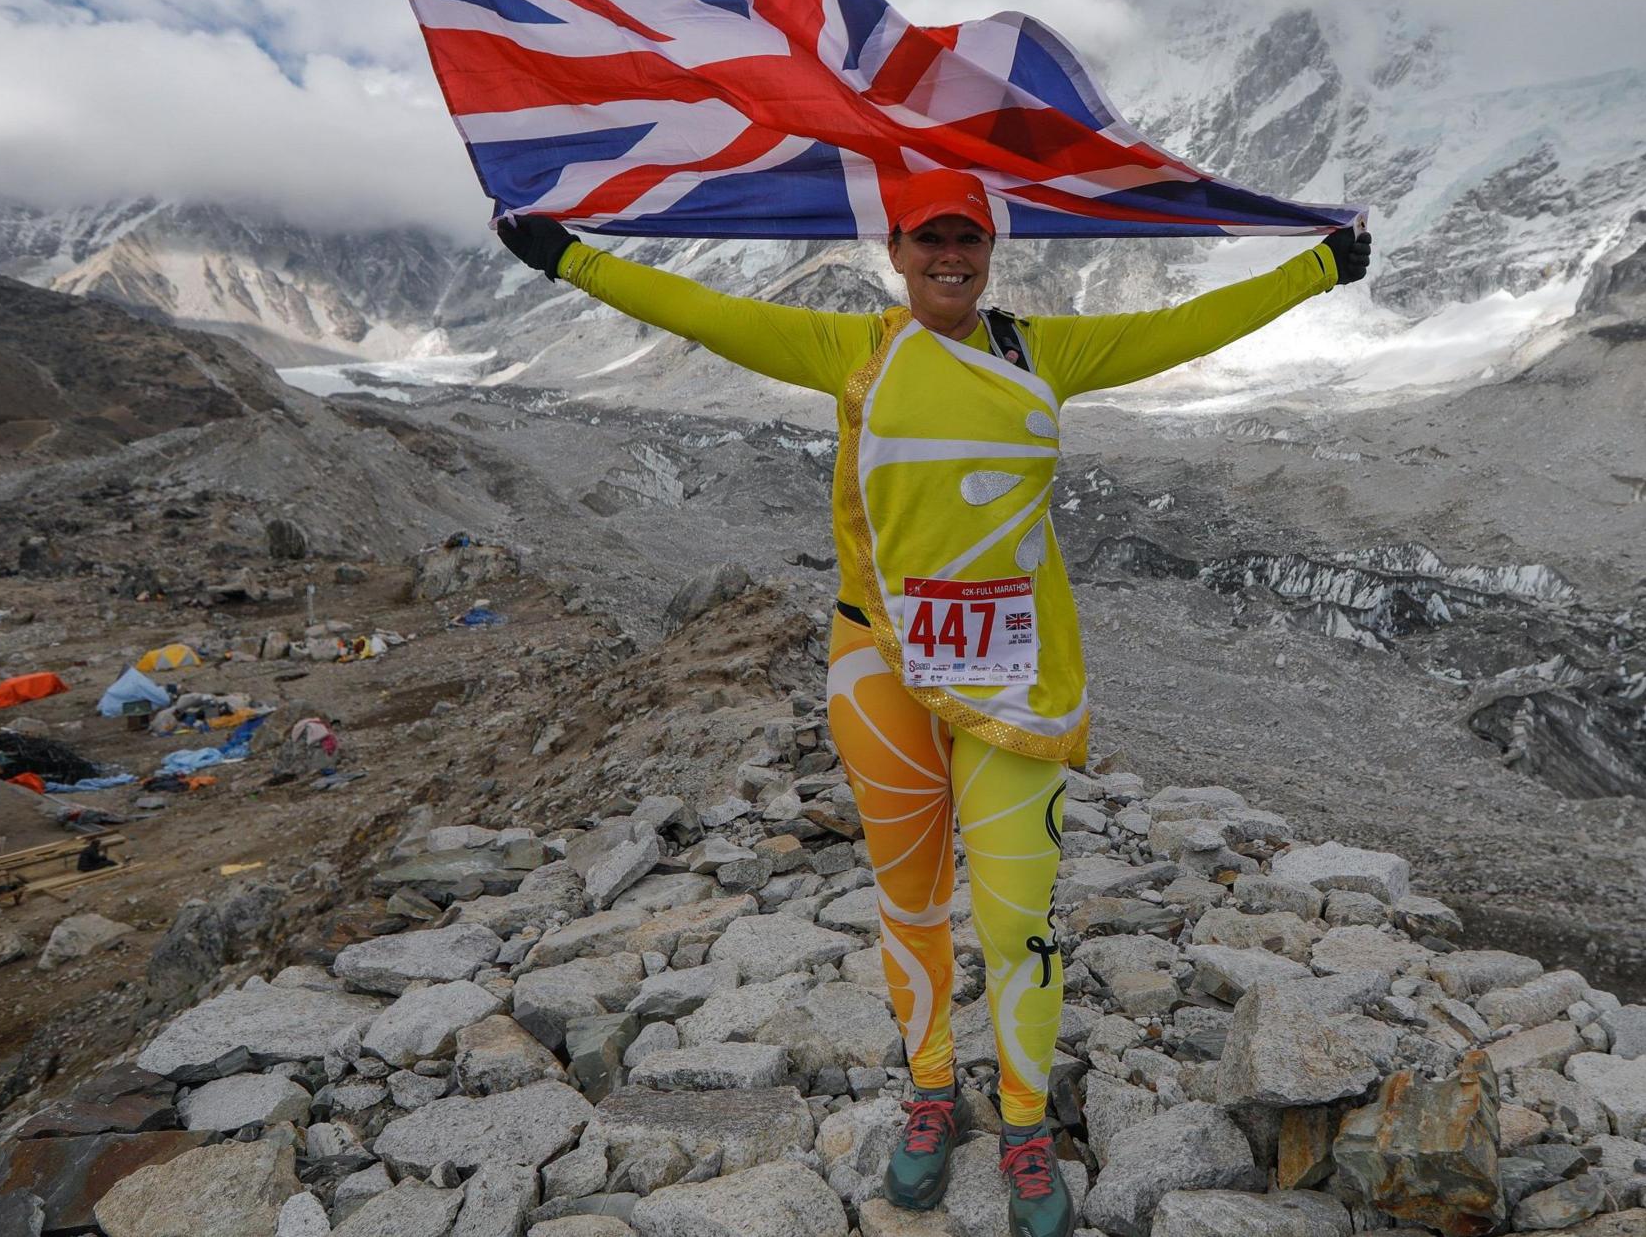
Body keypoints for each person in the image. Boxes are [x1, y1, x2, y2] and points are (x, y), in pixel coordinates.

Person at [495, 171, 1368, 1237]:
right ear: (896, 248)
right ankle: (928, 1088)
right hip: (878, 663)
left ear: (989, 248)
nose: (948, 254)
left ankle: (1024, 1119)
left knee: (1017, 917)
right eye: (927, 238)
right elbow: (701, 313)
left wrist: (1319, 266)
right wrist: (565, 256)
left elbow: (1188, 325)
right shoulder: (848, 349)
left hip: (1012, 670)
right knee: (909, 897)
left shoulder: (1043, 351)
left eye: (967, 236)